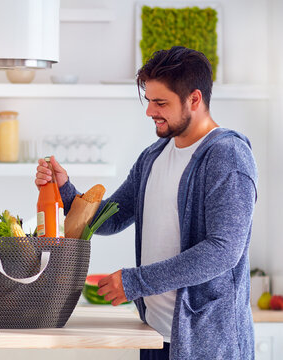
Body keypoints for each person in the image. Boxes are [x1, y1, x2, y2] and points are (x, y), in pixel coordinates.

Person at [35, 46, 257, 360]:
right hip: (155, 337)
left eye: (160, 102)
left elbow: (223, 251)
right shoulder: (154, 155)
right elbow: (112, 218)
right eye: (149, 100)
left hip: (206, 346)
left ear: (194, 99)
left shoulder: (226, 155)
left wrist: (137, 281)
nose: (150, 111)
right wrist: (65, 190)